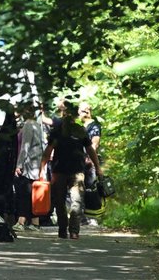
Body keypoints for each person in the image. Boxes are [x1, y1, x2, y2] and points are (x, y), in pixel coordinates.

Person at [39, 102, 103, 240]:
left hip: (75, 171)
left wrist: (97, 167)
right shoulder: (58, 131)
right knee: (63, 202)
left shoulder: (79, 131)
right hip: (60, 171)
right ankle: (64, 230)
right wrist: (41, 168)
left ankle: (73, 230)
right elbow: (48, 151)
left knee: (75, 201)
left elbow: (90, 150)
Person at [13, 104, 44, 232]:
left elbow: (25, 148)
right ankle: (35, 223)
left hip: (28, 166)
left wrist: (19, 165)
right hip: (35, 164)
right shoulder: (37, 125)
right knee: (33, 194)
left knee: (23, 194)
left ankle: (21, 222)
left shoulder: (28, 125)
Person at [79, 101, 102, 226]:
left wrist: (89, 157)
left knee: (90, 189)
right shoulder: (79, 126)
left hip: (89, 162)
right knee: (79, 189)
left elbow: (95, 142)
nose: (79, 113)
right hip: (79, 161)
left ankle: (92, 217)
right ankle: (82, 217)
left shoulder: (94, 126)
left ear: (87, 112)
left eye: (81, 111)